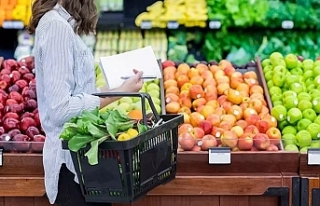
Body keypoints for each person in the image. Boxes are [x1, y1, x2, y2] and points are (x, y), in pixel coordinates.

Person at [28, 0, 144, 205]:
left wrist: (120, 89)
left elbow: (78, 94)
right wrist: (118, 94)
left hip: (83, 163)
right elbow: (60, 109)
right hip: (70, 166)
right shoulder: (56, 27)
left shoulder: (62, 24)